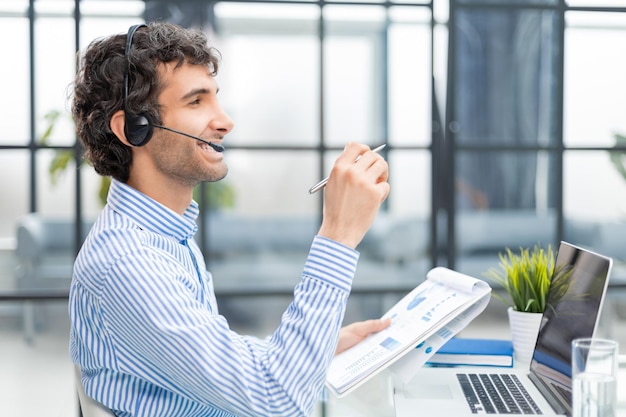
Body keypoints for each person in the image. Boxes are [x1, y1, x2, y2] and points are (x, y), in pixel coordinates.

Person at [69, 21, 390, 417]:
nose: (225, 121)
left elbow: (202, 358)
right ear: (133, 129)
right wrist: (338, 234)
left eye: (215, 99)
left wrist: (317, 347)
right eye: (196, 102)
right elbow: (277, 401)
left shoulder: (165, 235)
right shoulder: (130, 263)